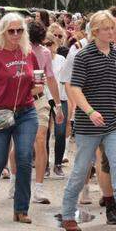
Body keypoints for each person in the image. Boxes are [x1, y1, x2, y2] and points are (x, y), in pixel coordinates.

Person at [60, 10, 116, 231]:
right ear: (95, 32)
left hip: (114, 122)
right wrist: (90, 111)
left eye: (112, 28)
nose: (111, 32)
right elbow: (75, 88)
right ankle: (67, 214)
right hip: (88, 124)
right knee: (81, 169)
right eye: (106, 29)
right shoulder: (83, 56)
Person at [0, 13, 41, 223]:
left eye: (19, 30)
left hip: (26, 112)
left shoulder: (29, 53)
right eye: (11, 30)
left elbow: (36, 80)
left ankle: (21, 209)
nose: (15, 34)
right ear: (3, 32)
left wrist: (38, 88)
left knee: (23, 158)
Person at [22, 20, 64, 205]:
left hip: (39, 101)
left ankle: (38, 187)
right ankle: (16, 182)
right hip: (18, 102)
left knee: (40, 139)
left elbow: (51, 78)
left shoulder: (45, 53)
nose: (36, 46)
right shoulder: (18, 50)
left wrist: (58, 104)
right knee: (19, 144)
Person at [47, 35, 69, 179]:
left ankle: (58, 164)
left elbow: (67, 80)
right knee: (44, 133)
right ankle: (44, 164)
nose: (49, 47)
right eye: (46, 44)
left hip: (61, 98)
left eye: (51, 44)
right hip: (44, 98)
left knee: (60, 132)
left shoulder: (62, 60)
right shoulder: (40, 59)